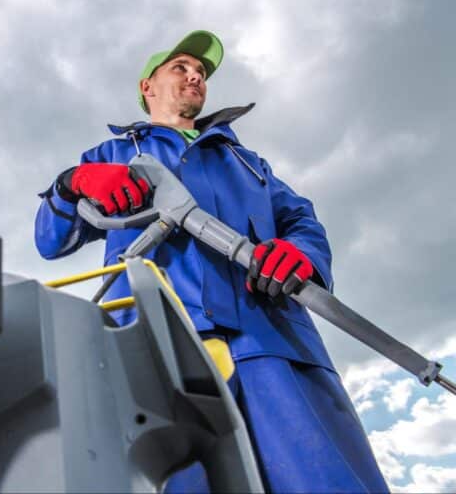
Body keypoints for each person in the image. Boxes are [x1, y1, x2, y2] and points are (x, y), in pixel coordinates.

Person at [34, 30, 388, 493]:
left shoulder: (248, 163)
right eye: (180, 68)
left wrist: (301, 254)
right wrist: (74, 182)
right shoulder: (113, 156)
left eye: (200, 73)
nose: (195, 76)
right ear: (148, 86)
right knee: (174, 481)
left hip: (272, 341)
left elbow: (300, 219)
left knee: (324, 478)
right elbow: (49, 240)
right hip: (157, 345)